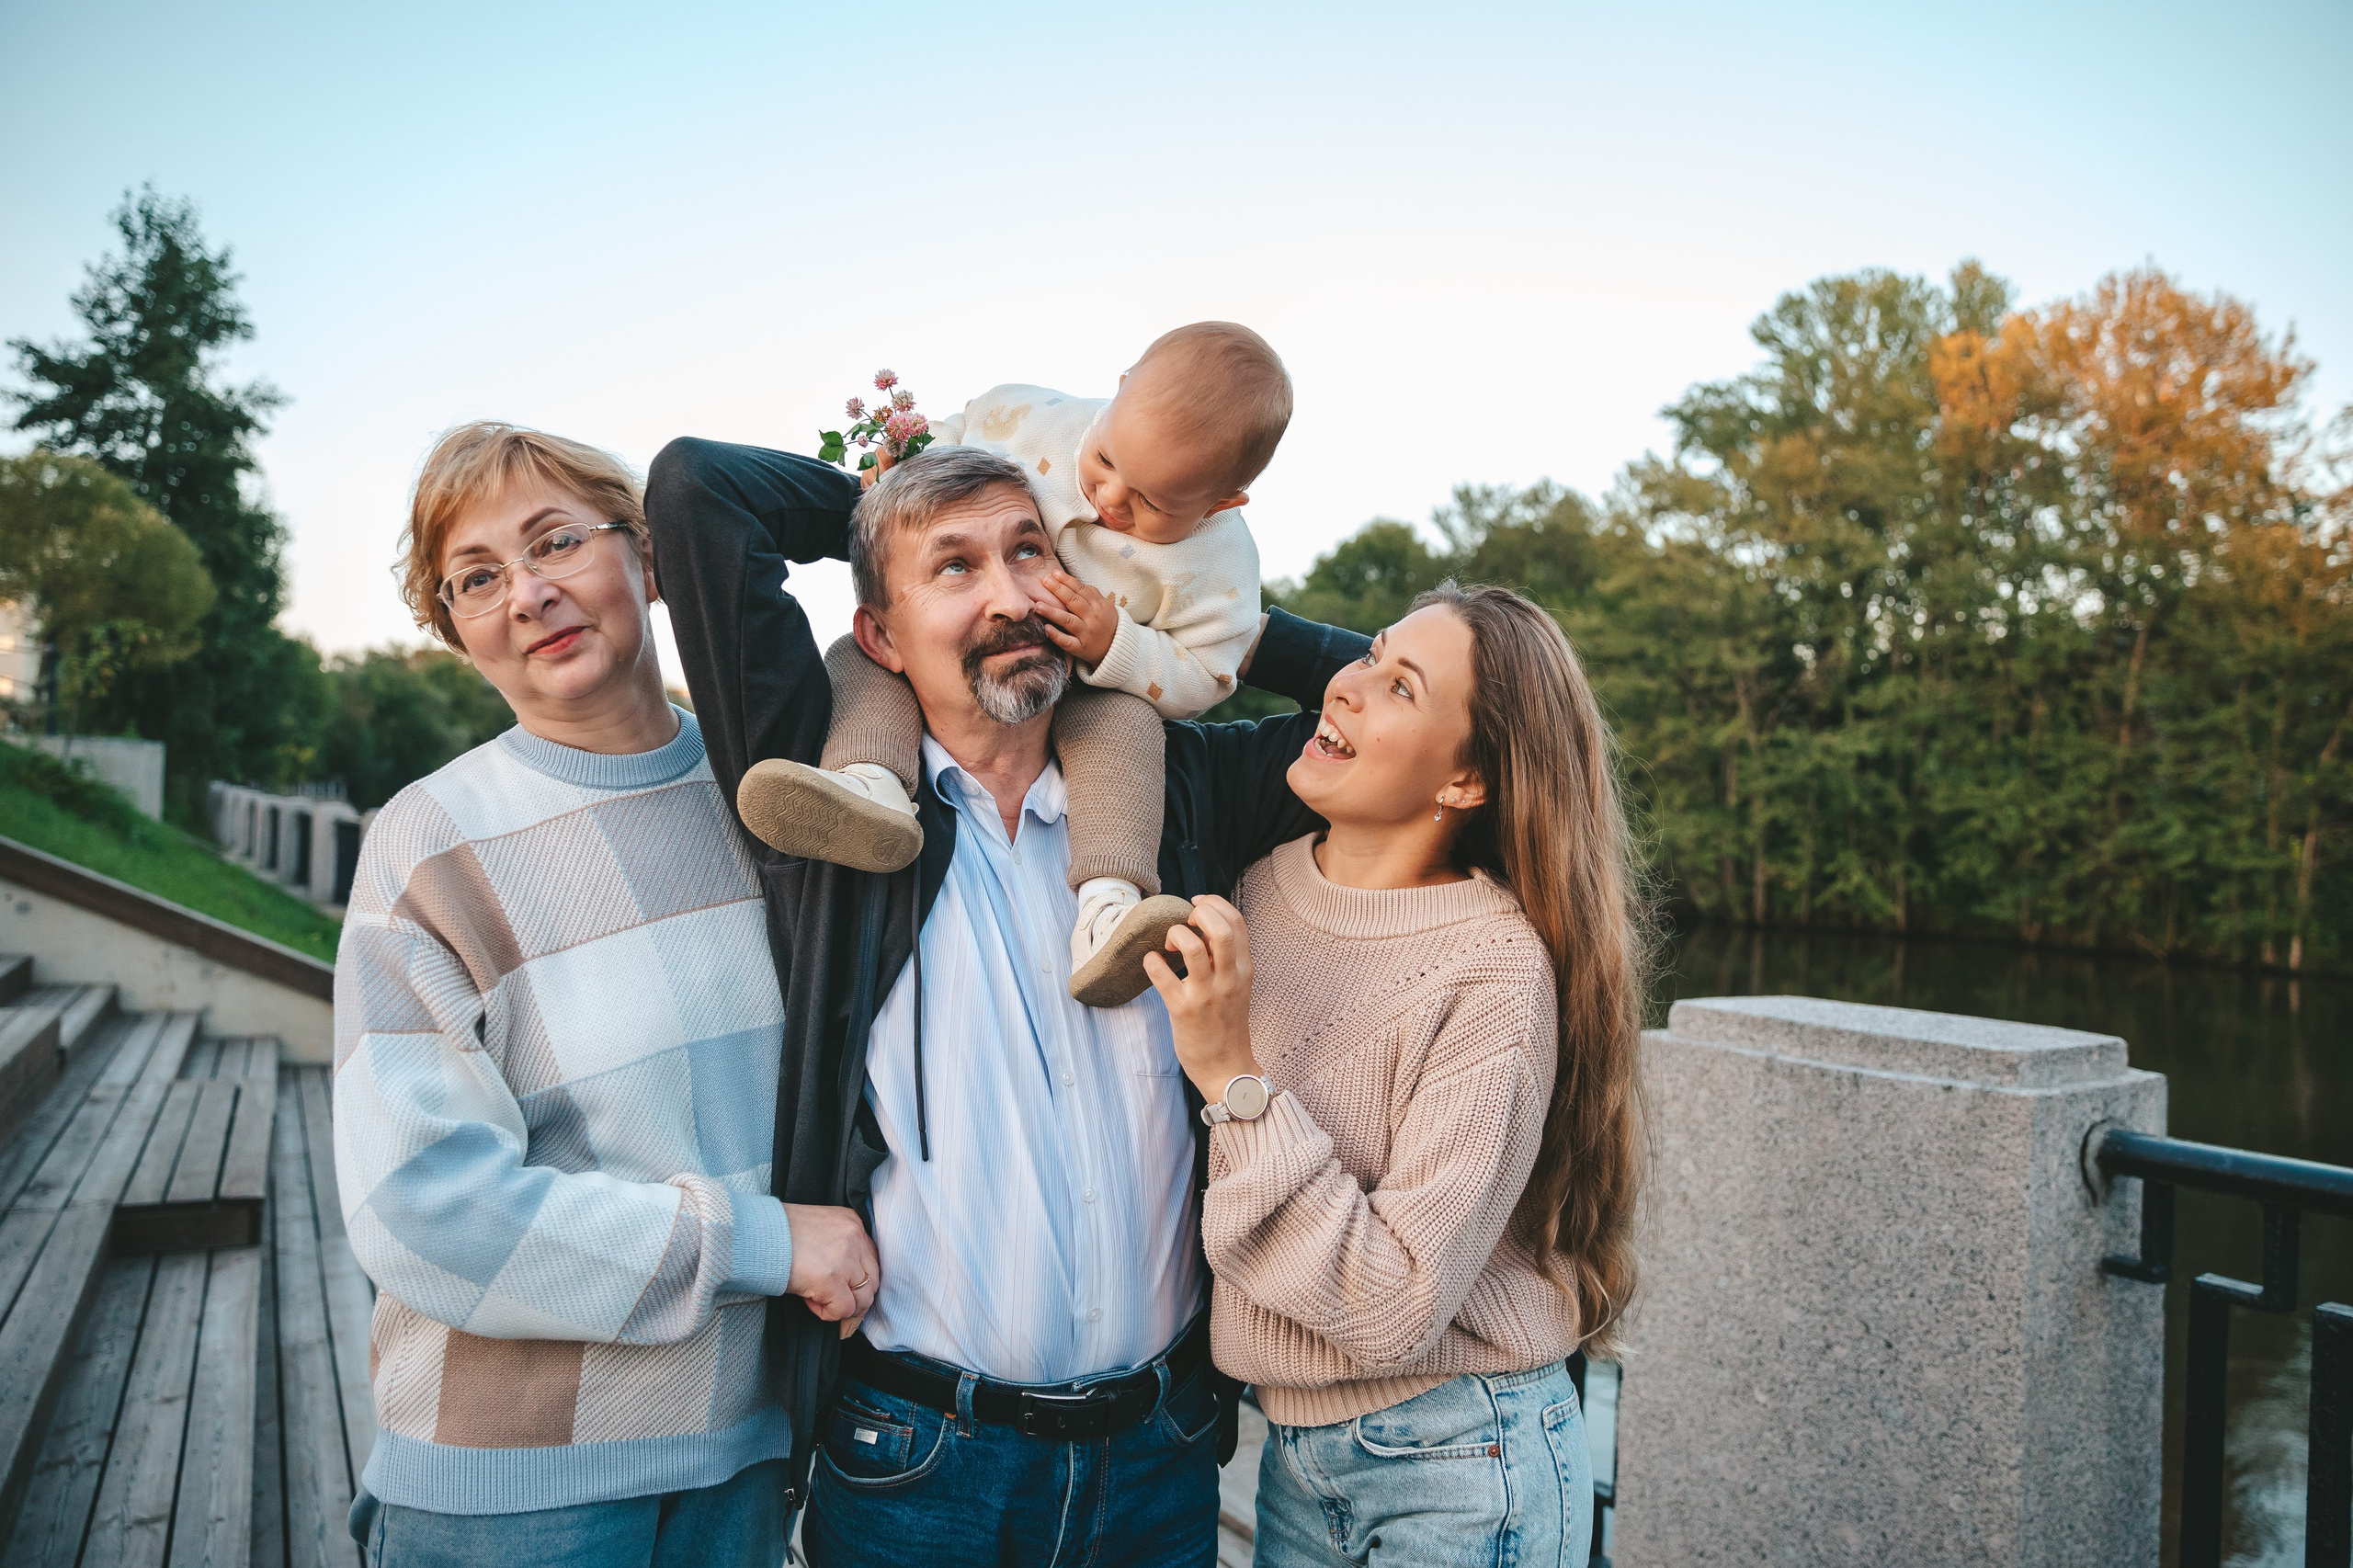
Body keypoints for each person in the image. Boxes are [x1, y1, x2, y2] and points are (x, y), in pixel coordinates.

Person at [642, 437, 1372, 1567]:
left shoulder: (1180, 787)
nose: (1015, 596)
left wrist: (1187, 606)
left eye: (1033, 551)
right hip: (917, 1464)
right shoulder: (829, 807)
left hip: (1164, 1456)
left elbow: (1424, 703)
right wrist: (881, 499)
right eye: (955, 566)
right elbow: (699, 488)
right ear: (879, 637)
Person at [332, 423, 881, 1568]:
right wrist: (759, 1242)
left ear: (648, 555)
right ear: (456, 628)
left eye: (555, 542)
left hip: (745, 1466)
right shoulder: (429, 844)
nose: (528, 594)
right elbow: (422, 1202)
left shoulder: (776, 796)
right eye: (477, 578)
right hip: (510, 1498)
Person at [1143, 584, 1651, 1568]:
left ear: (1467, 780)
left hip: (1464, 1462)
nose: (1345, 685)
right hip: (1293, 1454)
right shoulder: (1252, 887)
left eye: (1401, 686)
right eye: (1368, 654)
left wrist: (1232, 1076)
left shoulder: (1493, 972)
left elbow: (1393, 1308)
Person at [731, 323, 1291, 1006]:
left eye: (1152, 503)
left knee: (1125, 728)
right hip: (977, 662)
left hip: (1097, 683)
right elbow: (954, 436)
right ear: (1115, 393)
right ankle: (870, 785)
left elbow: (1208, 674)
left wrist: (1117, 643)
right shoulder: (1034, 420)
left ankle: (1109, 906)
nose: (1111, 499)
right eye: (1106, 460)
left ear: (1222, 502)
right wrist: (889, 477)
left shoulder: (1221, 565)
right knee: (859, 660)